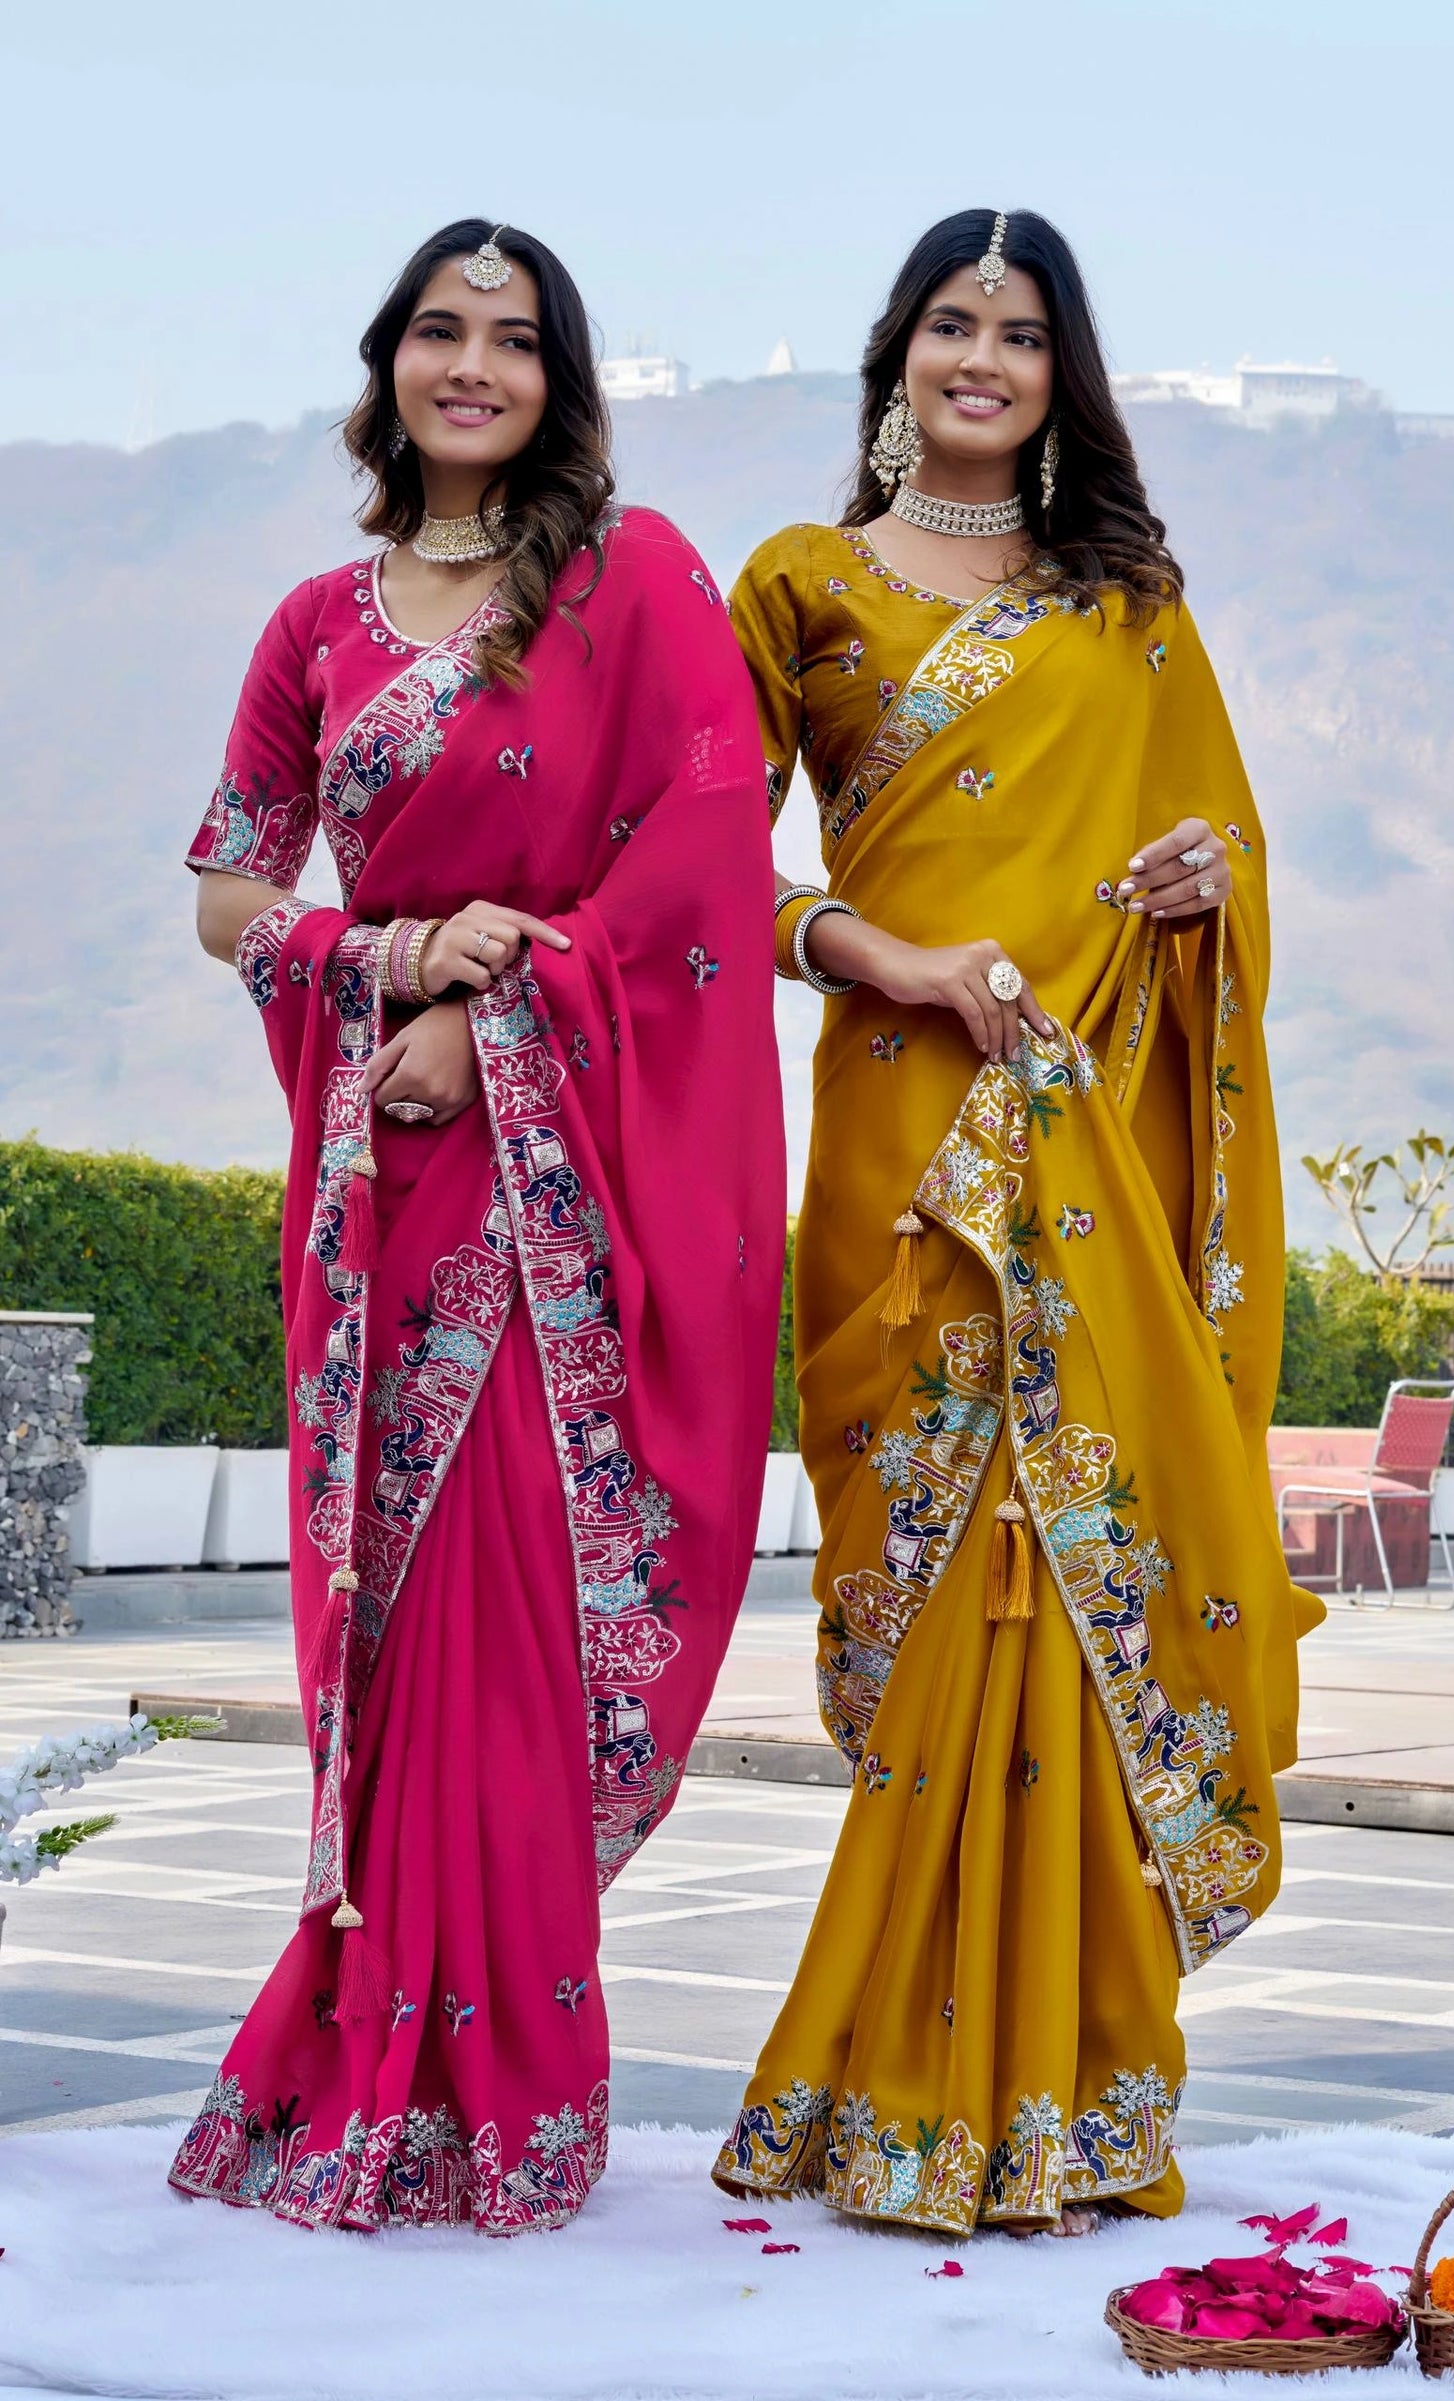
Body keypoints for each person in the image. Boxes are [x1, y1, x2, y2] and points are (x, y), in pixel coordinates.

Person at [171, 219, 783, 2233]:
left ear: (556, 382)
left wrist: (500, 1016)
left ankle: (509, 2085)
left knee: (505, 1627)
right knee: (392, 1622)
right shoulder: (310, 625)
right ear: (390, 359)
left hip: (555, 1191)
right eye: (441, 328)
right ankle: (365, 2056)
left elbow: (698, 863)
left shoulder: (633, 582)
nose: (471, 365)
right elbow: (232, 895)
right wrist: (402, 962)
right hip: (379, 1181)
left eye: (512, 341)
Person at [713, 208, 1320, 2237]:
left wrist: (1192, 879)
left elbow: (1218, 840)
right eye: (950, 323)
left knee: (1066, 1605)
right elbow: (704, 881)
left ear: (1063, 376)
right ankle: (881, 2086)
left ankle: (1066, 2100)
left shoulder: (1125, 606)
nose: (980, 357)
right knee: (928, 1612)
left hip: (1088, 1159)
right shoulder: (794, 586)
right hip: (902, 1151)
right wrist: (885, 953)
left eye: (1022, 334)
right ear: (895, 352)